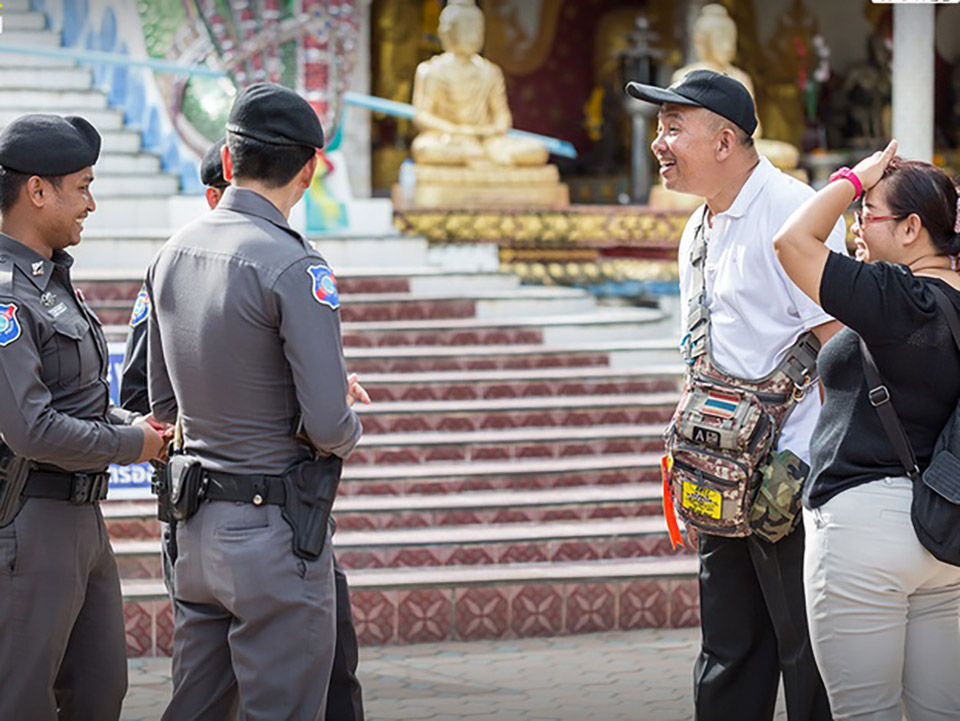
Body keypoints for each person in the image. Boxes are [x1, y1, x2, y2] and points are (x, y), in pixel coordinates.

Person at [120, 136, 366, 721]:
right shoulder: (293, 263)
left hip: (197, 526)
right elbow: (330, 427)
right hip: (273, 531)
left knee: (197, 704)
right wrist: (341, 416)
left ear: (229, 162)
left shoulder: (171, 253)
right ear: (310, 170)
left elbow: (161, 403)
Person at [625, 70, 842, 721]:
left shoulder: (791, 212)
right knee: (728, 649)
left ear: (725, 141)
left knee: (807, 653)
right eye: (659, 128)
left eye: (672, 128)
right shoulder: (698, 226)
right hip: (720, 474)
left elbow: (840, 346)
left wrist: (834, 470)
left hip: (792, 479)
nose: (657, 143)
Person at [774, 140, 960, 720]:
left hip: (865, 530)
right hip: (945, 530)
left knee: (864, 712)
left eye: (867, 214)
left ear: (910, 229)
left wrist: (854, 178)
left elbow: (791, 242)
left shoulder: (897, 296)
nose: (856, 226)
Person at [0, 114, 166, 720]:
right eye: (83, 186)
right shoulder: (4, 293)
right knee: (22, 702)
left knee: (100, 692)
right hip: (27, 518)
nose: (91, 204)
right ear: (38, 190)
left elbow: (81, 401)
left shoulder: (50, 279)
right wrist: (133, 444)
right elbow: (31, 428)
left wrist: (142, 427)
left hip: (81, 518)